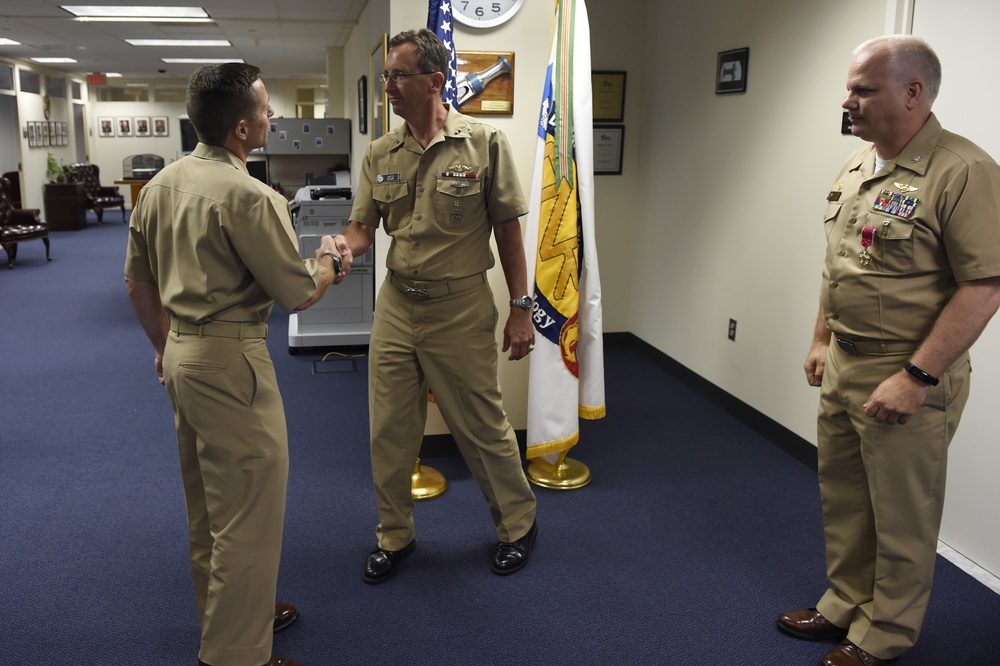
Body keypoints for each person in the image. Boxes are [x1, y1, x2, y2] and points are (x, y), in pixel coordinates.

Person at [778, 36, 1000, 666]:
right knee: (845, 495)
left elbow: (984, 286)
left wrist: (917, 376)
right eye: (850, 88)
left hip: (906, 370)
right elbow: (840, 265)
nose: (848, 101)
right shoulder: (858, 165)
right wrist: (822, 338)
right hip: (846, 362)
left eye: (863, 89)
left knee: (902, 513)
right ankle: (845, 601)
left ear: (913, 93)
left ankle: (886, 633)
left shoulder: (964, 171)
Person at [125, 62, 342, 666]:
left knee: (209, 508)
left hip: (181, 355)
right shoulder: (252, 197)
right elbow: (299, 292)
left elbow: (137, 283)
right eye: (267, 111)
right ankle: (237, 655)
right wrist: (329, 262)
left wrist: (162, 349)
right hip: (231, 360)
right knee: (248, 515)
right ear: (244, 129)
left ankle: (232, 615)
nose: (273, 118)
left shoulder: (161, 185)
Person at [328, 28, 538, 583]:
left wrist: (522, 307)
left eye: (398, 75)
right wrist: (337, 248)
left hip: (461, 307)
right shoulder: (381, 152)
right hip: (398, 305)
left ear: (434, 80)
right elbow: (361, 229)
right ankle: (394, 536)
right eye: (386, 77)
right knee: (390, 428)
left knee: (480, 424)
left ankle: (517, 524)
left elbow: (508, 233)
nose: (389, 86)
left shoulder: (484, 144)